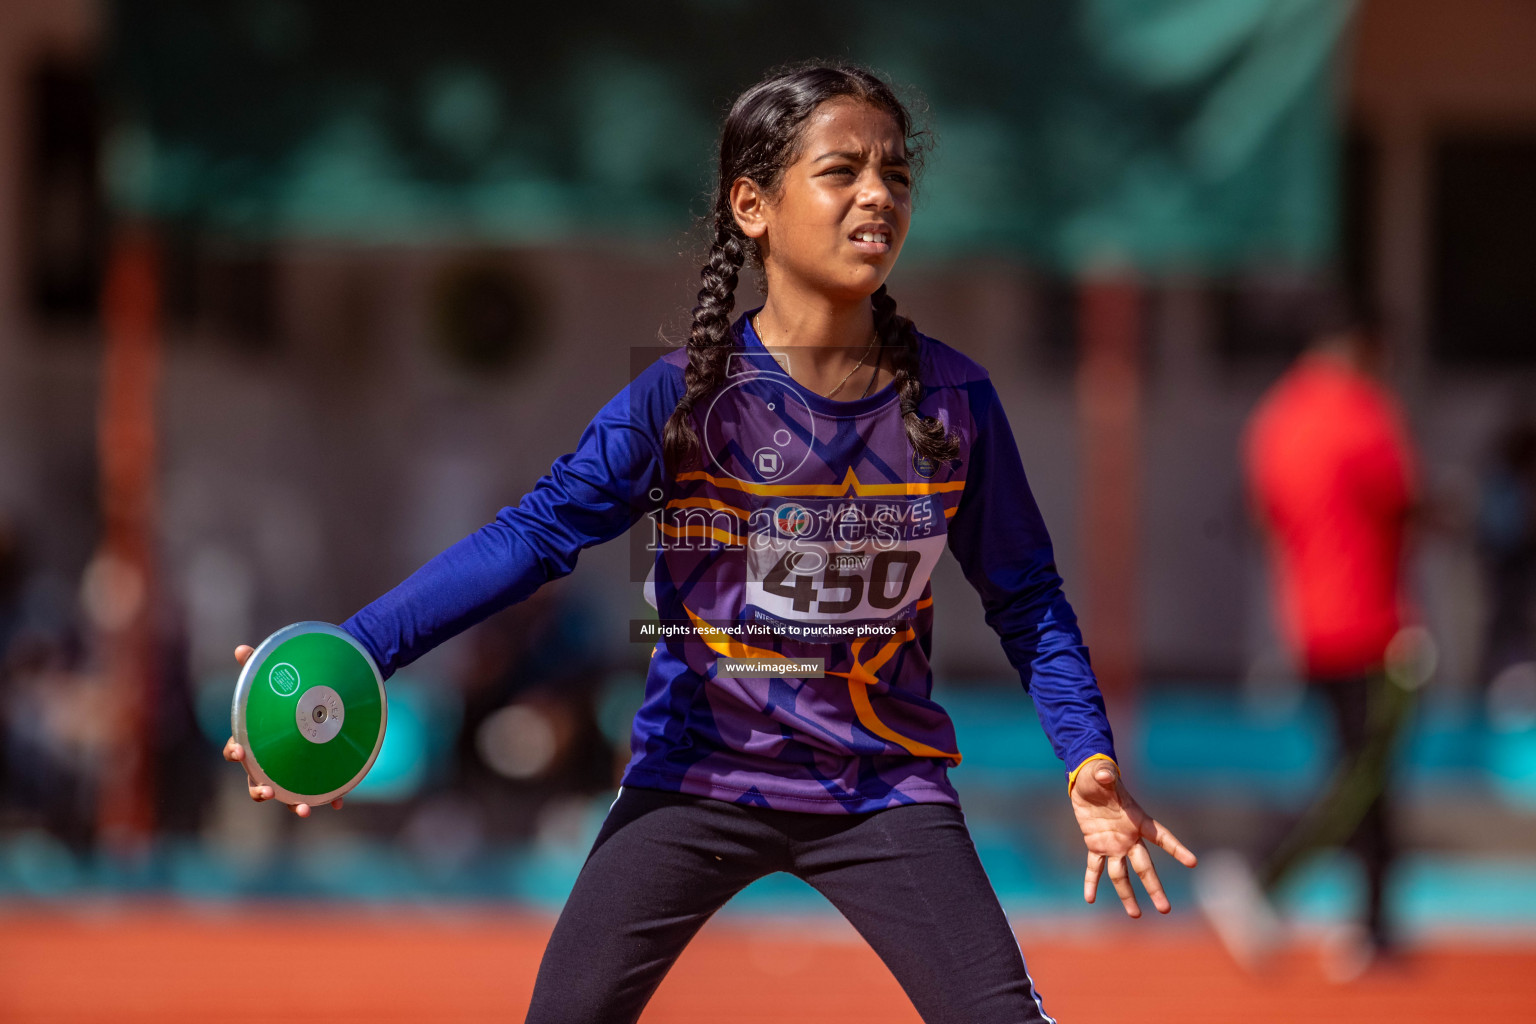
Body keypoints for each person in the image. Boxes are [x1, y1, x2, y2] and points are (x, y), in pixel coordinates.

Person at [224, 62, 1195, 1023]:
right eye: (841, 170)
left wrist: (1086, 756)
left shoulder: (957, 400)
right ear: (752, 205)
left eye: (895, 174)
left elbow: (1026, 597)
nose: (877, 195)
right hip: (694, 780)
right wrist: (357, 652)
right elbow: (535, 534)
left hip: (881, 784)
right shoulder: (684, 399)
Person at [1200, 304, 1418, 978]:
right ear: (1360, 345)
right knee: (1360, 777)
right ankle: (1265, 873)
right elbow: (1402, 495)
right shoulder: (1362, 411)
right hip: (1374, 620)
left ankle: (1374, 924)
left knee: (1360, 773)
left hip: (1310, 620)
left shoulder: (1276, 419)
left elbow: (1265, 514)